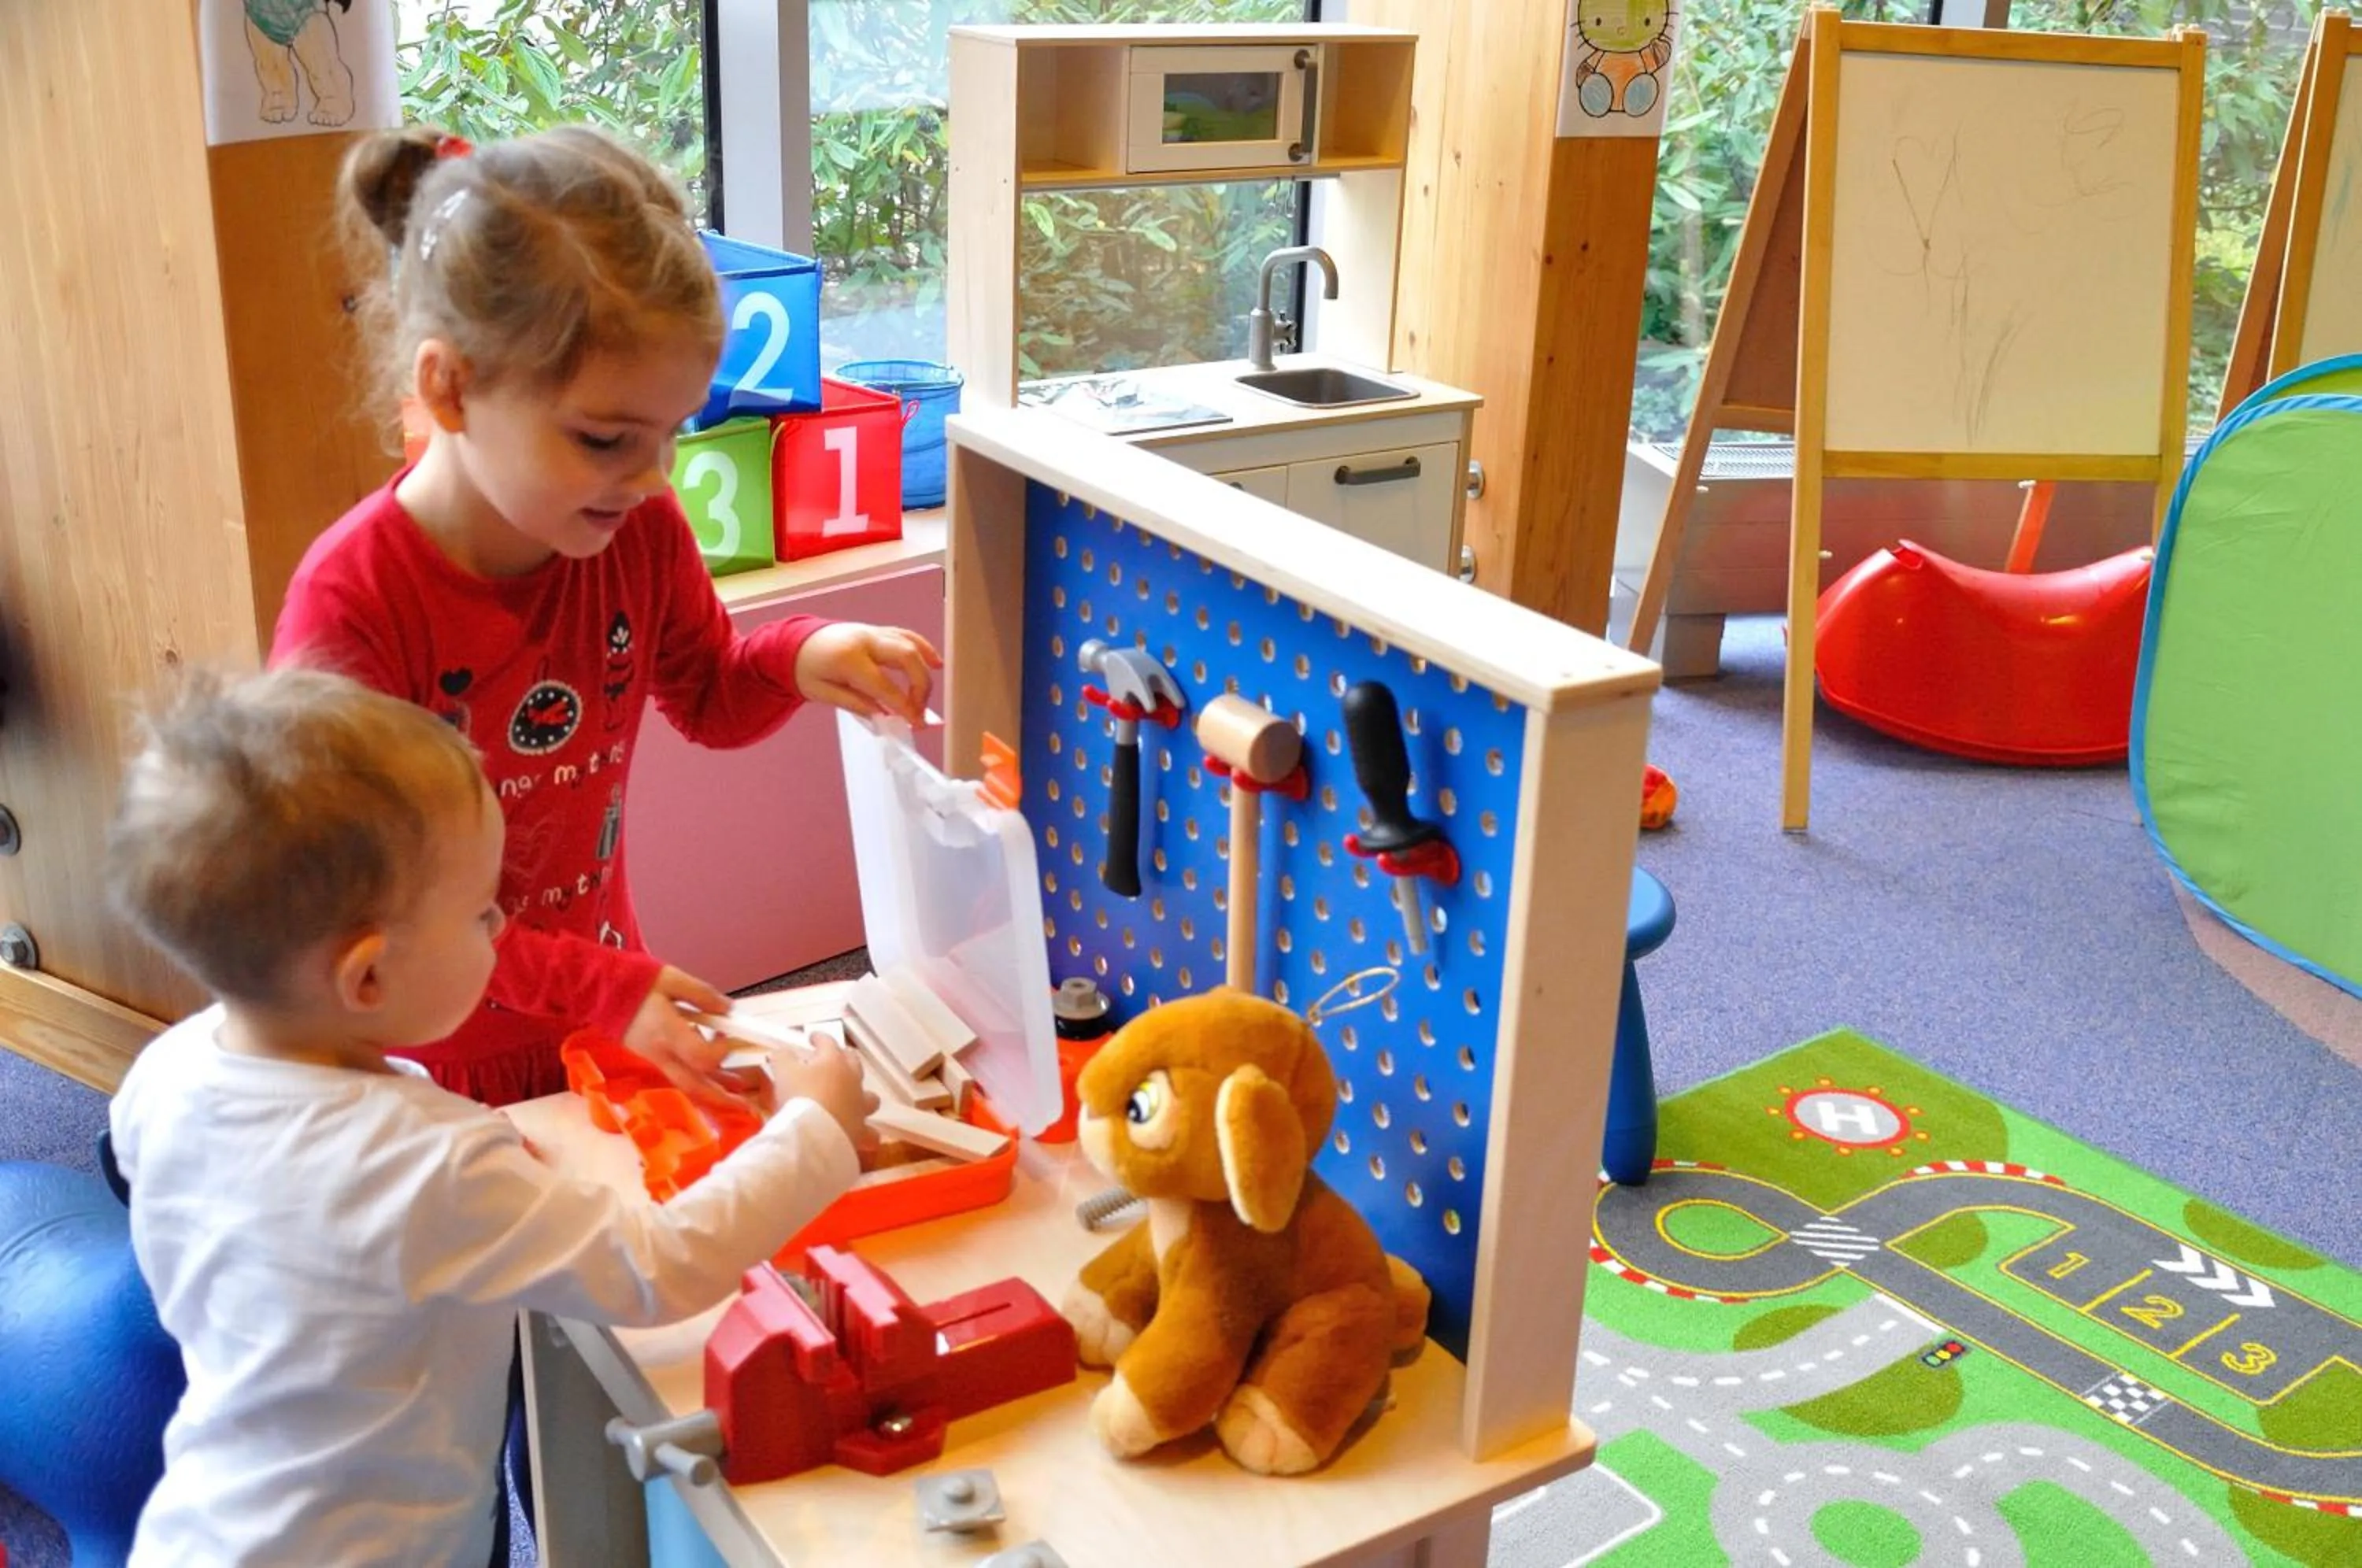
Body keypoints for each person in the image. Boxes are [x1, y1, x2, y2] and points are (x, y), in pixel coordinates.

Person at [105, 667, 876, 1568]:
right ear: (367, 979)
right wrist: (817, 1129)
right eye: (482, 914)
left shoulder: (166, 1073)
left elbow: (298, 1191)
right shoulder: (432, 1165)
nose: (502, 922)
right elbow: (660, 1268)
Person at [273, 121, 940, 1110]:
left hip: (596, 1015)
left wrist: (801, 658)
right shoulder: (354, 604)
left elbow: (709, 695)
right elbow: (374, 918)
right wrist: (600, 987)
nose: (650, 477)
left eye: (670, 433)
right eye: (603, 439)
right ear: (448, 387)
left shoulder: (635, 526)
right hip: (412, 1059)